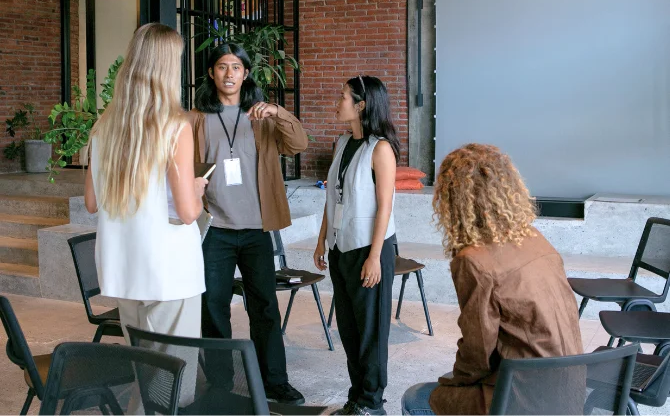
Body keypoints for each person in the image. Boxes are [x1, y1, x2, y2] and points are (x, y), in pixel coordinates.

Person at [401, 143, 583, 415]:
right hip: (568, 391)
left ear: (453, 199)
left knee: (416, 398)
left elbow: (478, 353)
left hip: (523, 398)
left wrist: (453, 384)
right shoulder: (534, 238)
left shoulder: (473, 261)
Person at [84, 23, 207, 404]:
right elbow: (187, 212)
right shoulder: (175, 126)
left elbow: (92, 202)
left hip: (124, 268)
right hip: (170, 272)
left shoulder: (104, 126)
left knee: (145, 372)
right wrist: (198, 191)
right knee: (175, 385)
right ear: (169, 67)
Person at [189, 43, 308, 405]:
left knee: (264, 307)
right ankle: (221, 382)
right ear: (211, 73)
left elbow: (298, 143)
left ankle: (275, 380)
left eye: (236, 67)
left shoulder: (262, 115)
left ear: (245, 74)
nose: (229, 73)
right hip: (216, 230)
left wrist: (278, 111)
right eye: (222, 67)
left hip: (257, 229)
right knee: (213, 307)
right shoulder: (195, 118)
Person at [313, 75, 399, 416]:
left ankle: (372, 403)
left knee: (371, 333)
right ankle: (357, 397)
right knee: (349, 329)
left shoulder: (380, 148)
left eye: (343, 97)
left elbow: (385, 206)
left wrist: (376, 256)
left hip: (369, 249)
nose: (338, 102)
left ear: (361, 105)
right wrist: (322, 239)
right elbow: (333, 198)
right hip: (341, 247)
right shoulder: (342, 143)